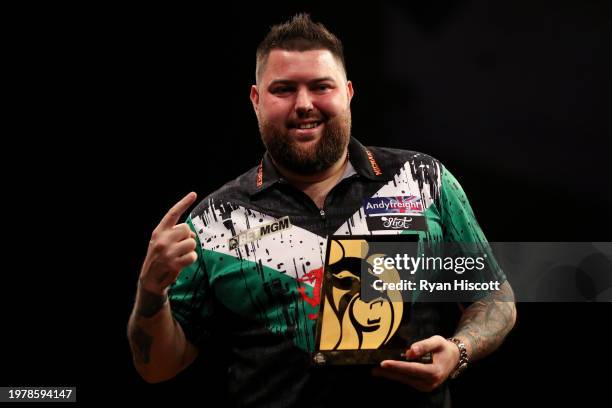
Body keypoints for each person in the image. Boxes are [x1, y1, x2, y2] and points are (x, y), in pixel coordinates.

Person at [128, 13, 516, 407]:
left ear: (347, 92)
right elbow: (158, 366)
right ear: (256, 100)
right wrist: (150, 290)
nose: (303, 104)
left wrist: (460, 350)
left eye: (320, 86)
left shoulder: (423, 180)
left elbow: (494, 297)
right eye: (283, 89)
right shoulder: (214, 221)